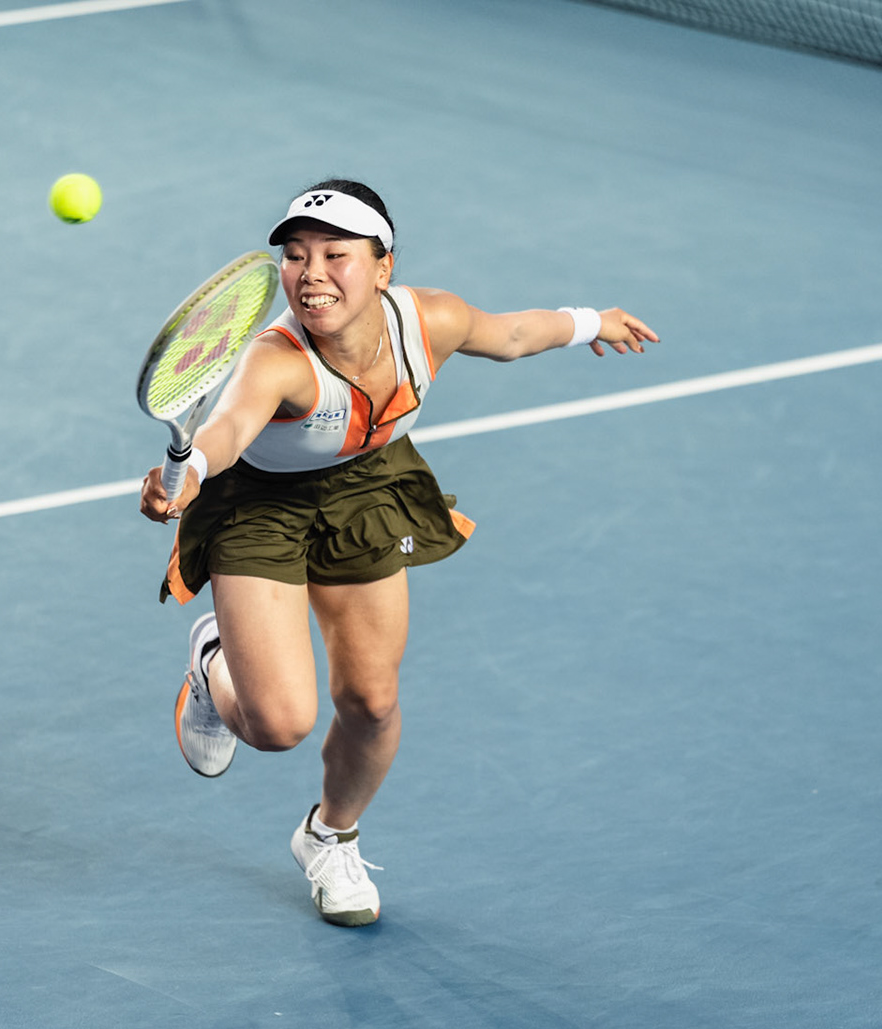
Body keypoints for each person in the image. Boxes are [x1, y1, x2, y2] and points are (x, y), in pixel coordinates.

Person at [139, 178, 657, 927]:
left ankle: (329, 837)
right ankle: (213, 662)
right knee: (278, 725)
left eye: (335, 254)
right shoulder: (276, 361)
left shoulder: (429, 319)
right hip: (261, 507)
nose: (310, 273)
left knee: (373, 703)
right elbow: (224, 434)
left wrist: (589, 321)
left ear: (383, 266)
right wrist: (182, 481)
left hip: (366, 485)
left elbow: (511, 335)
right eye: (295, 256)